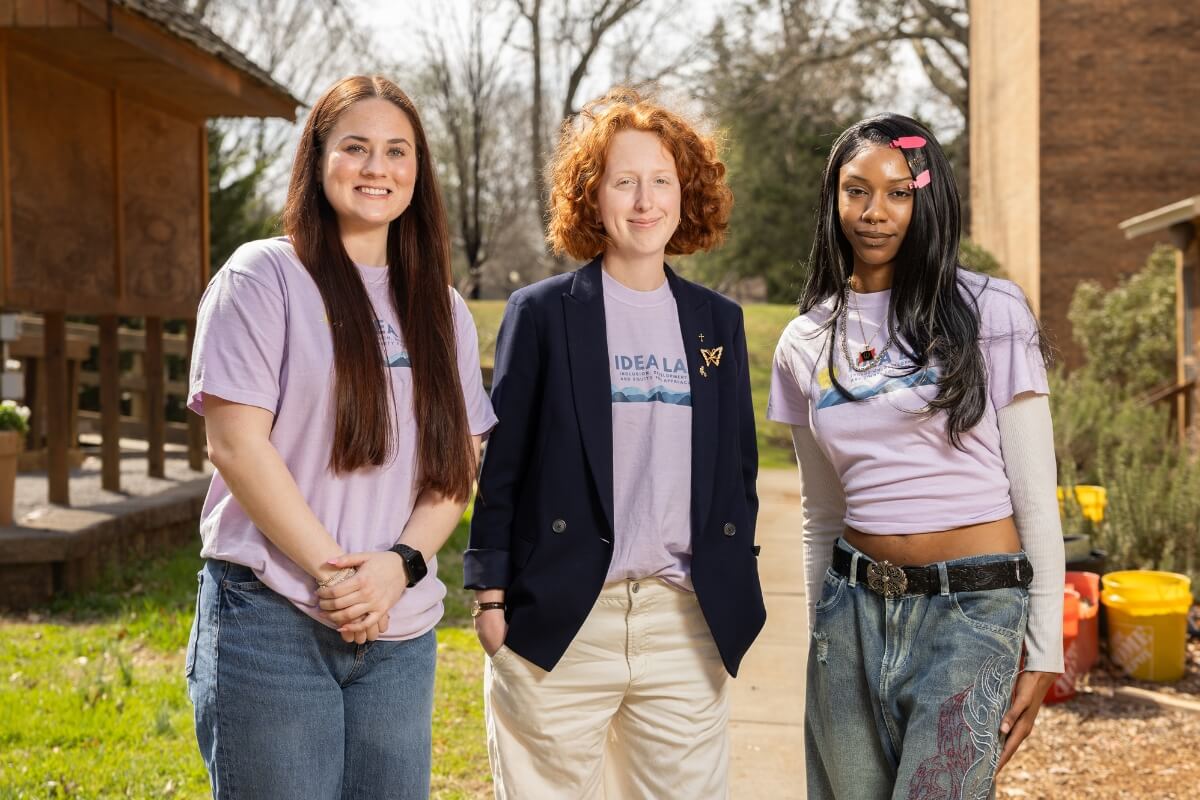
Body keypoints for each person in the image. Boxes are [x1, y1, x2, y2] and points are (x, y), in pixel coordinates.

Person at [184, 75, 496, 799]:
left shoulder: (443, 309)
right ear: (318, 159)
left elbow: (457, 463)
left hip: (399, 628)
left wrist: (398, 567)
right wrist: (336, 574)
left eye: (397, 151)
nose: (376, 168)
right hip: (270, 616)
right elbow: (235, 444)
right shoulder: (264, 276)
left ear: (418, 172)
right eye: (355, 147)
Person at [465, 87, 765, 799]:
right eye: (623, 181)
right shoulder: (540, 314)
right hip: (562, 615)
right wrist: (490, 600)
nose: (643, 201)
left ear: (685, 196)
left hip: (683, 623)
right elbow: (503, 469)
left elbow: (738, 471)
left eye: (661, 181)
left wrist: (732, 584)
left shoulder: (716, 323)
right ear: (591, 196)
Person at [767, 113, 1064, 799]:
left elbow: (1034, 491)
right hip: (851, 613)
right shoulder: (804, 341)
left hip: (973, 613)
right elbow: (822, 513)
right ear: (832, 199)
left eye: (899, 192)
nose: (875, 212)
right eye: (856, 190)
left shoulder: (992, 309)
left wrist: (1043, 647)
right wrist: (822, 633)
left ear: (929, 199)